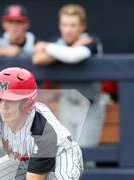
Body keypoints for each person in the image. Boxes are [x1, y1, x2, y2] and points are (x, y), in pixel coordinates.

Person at [32, 4, 108, 167]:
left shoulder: (92, 41)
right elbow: (37, 58)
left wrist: (50, 49)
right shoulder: (59, 42)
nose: (68, 30)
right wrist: (64, 50)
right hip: (67, 103)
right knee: (65, 157)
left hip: (90, 104)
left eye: (73, 25)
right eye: (64, 25)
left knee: (84, 158)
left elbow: (75, 56)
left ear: (82, 26)